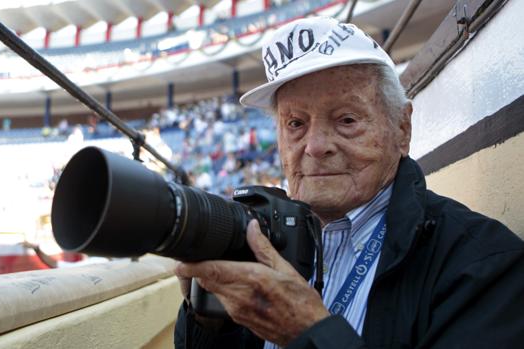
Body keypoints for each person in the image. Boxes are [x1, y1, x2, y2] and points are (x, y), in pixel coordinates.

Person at [173, 17, 524, 348]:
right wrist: (207, 323)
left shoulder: (482, 264)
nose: (314, 146)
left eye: (346, 119)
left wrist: (308, 334)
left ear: (402, 129)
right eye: (295, 123)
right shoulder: (263, 238)